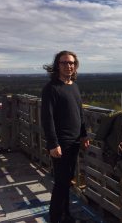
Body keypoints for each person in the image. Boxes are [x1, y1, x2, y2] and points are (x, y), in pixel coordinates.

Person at [41, 50, 89, 223]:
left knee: (67, 180)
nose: (68, 66)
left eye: (71, 63)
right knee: (61, 183)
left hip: (75, 142)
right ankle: (55, 218)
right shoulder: (51, 88)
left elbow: (79, 112)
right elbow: (47, 118)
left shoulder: (73, 85)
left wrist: (83, 135)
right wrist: (53, 144)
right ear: (57, 65)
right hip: (61, 143)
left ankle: (66, 215)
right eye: (64, 63)